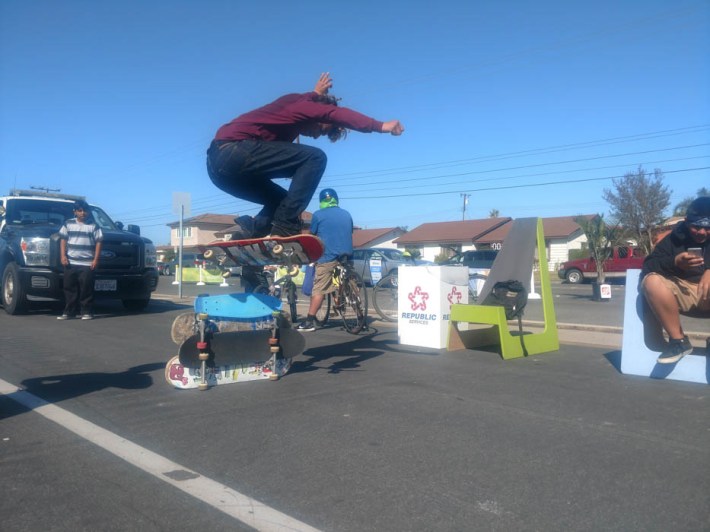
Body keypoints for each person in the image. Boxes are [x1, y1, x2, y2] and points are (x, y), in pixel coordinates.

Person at [206, 72, 404, 239]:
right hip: (233, 150)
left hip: (221, 173)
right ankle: (285, 227)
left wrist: (316, 93)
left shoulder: (296, 107)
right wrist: (380, 126)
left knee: (281, 201)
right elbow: (333, 113)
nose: (318, 135)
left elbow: (306, 103)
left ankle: (250, 231)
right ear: (320, 113)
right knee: (316, 158)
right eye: (323, 129)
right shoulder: (303, 107)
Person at [640, 196, 710, 363]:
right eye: (696, 226)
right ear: (686, 222)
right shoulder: (672, 239)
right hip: (683, 292)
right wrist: (675, 262)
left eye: (707, 228)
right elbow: (648, 265)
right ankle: (678, 342)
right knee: (651, 281)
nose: (701, 232)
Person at [297, 188, 353, 331]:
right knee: (337, 280)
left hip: (328, 258)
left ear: (322, 201)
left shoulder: (318, 215)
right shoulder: (347, 214)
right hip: (346, 256)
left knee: (319, 289)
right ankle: (346, 303)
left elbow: (311, 236)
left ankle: (309, 321)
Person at [57, 200, 103, 320]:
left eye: (85, 211)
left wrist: (96, 259)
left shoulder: (94, 226)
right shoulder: (68, 224)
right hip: (71, 262)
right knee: (69, 288)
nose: (83, 213)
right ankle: (69, 312)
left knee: (86, 288)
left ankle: (86, 312)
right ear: (75, 212)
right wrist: (63, 256)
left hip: (87, 263)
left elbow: (99, 242)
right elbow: (63, 240)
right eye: (80, 210)